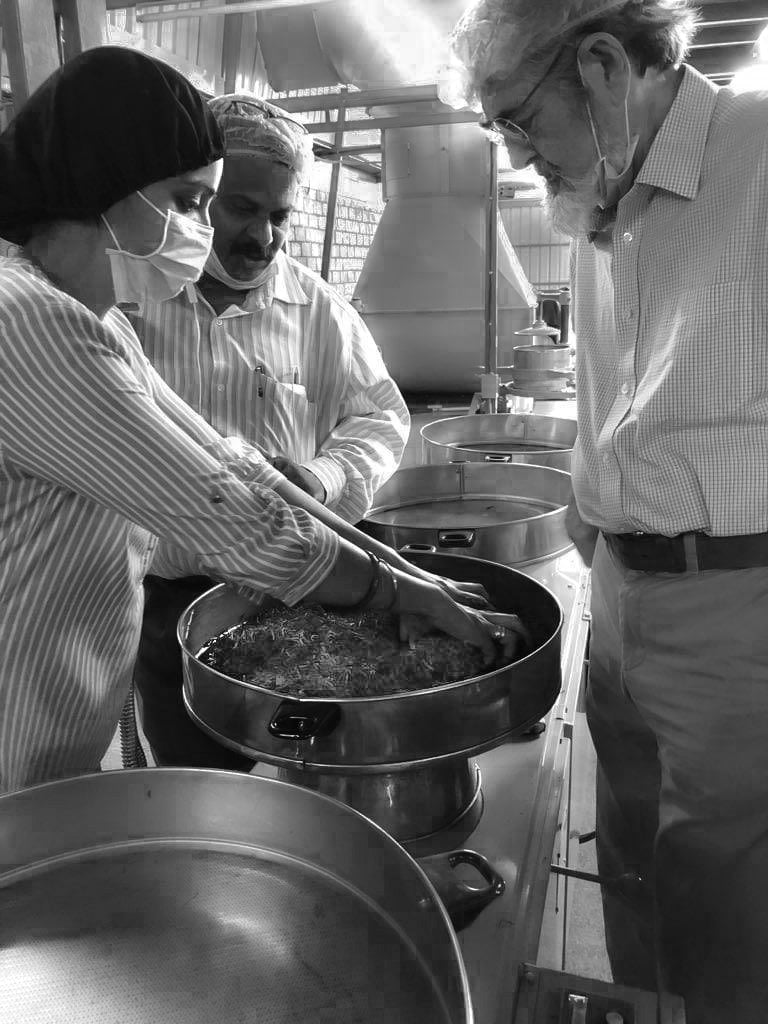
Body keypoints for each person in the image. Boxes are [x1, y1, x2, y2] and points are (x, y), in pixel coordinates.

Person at [0, 45, 519, 796]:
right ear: (107, 180)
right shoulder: (34, 320)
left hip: (69, 684)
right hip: (25, 690)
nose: (201, 228)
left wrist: (410, 573)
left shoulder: (91, 315)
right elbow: (229, 511)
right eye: (187, 202)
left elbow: (228, 459)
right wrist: (401, 593)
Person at [453, 2, 768, 1022]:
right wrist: (599, 544)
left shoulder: (758, 158)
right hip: (622, 591)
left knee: (726, 894)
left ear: (599, 67)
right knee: (629, 858)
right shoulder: (598, 197)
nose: (516, 153)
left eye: (515, 120)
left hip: (737, 601)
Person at [129, 94, 410, 769]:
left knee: (312, 781)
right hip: (170, 605)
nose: (264, 238)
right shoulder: (135, 302)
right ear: (196, 199)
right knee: (198, 787)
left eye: (281, 215)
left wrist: (324, 477)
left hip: (306, 598)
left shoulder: (318, 311)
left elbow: (380, 419)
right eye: (243, 209)